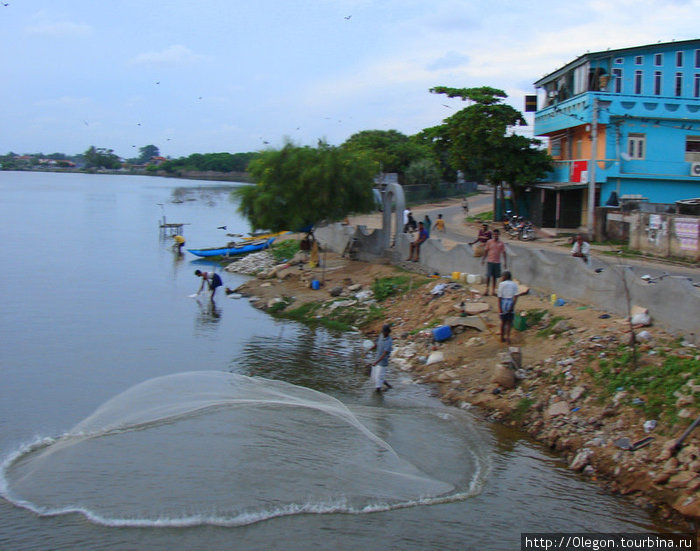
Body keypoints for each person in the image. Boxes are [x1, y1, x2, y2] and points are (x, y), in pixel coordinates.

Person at [481, 229, 507, 296]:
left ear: (499, 235)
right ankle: (486, 290)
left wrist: (505, 262)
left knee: (495, 277)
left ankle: (493, 291)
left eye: (497, 234)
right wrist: (483, 259)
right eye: (494, 234)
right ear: (493, 235)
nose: (496, 235)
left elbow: (504, 253)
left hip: (497, 262)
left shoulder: (501, 243)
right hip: (490, 261)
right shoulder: (489, 242)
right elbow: (486, 251)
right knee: (488, 276)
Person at [370, 324, 393, 393]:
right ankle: (387, 385)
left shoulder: (389, 341)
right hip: (377, 359)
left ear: (388, 332)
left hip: (382, 363)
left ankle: (378, 392)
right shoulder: (381, 335)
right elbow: (377, 344)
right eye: (383, 331)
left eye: (384, 332)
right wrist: (370, 349)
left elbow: (384, 354)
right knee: (375, 378)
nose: (383, 333)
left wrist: (376, 362)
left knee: (378, 379)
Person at [497, 271, 519, 344]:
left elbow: (499, 297)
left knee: (503, 322)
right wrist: (512, 306)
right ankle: (508, 338)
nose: (501, 278)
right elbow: (516, 296)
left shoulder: (501, 284)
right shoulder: (514, 284)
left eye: (502, 276)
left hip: (503, 302)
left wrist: (500, 307)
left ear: (505, 276)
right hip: (510, 302)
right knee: (509, 322)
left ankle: (501, 337)